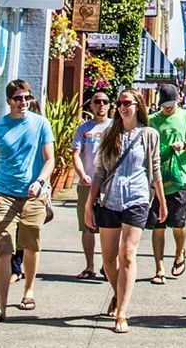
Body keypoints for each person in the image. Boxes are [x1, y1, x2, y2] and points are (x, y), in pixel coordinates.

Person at [84, 88, 165, 334]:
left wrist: (161, 200)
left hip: (137, 199)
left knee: (127, 254)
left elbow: (155, 167)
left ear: (138, 105)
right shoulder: (110, 133)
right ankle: (119, 294)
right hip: (110, 199)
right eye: (119, 103)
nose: (121, 106)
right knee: (108, 260)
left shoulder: (149, 134)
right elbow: (99, 170)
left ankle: (122, 313)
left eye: (126, 102)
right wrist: (89, 202)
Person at [0, 79, 52, 324]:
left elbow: (49, 159)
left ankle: (28, 290)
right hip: (5, 193)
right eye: (18, 98)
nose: (23, 102)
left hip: (33, 194)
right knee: (4, 249)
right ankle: (0, 306)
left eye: (26, 98)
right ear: (9, 100)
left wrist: (40, 181)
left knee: (31, 244)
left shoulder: (41, 124)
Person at [147, 82, 186, 283]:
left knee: (178, 222)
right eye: (164, 105)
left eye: (170, 104)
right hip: (156, 178)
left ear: (178, 99)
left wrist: (184, 145)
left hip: (180, 177)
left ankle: (180, 253)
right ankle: (159, 268)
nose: (167, 108)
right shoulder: (152, 120)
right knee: (157, 225)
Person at [69, 90, 110, 279]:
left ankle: (107, 265)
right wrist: (82, 174)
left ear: (110, 105)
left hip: (109, 187)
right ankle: (89, 266)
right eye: (97, 101)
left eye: (105, 101)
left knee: (108, 227)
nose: (101, 105)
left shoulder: (114, 128)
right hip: (87, 185)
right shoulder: (84, 129)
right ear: (91, 105)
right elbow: (75, 154)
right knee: (87, 227)